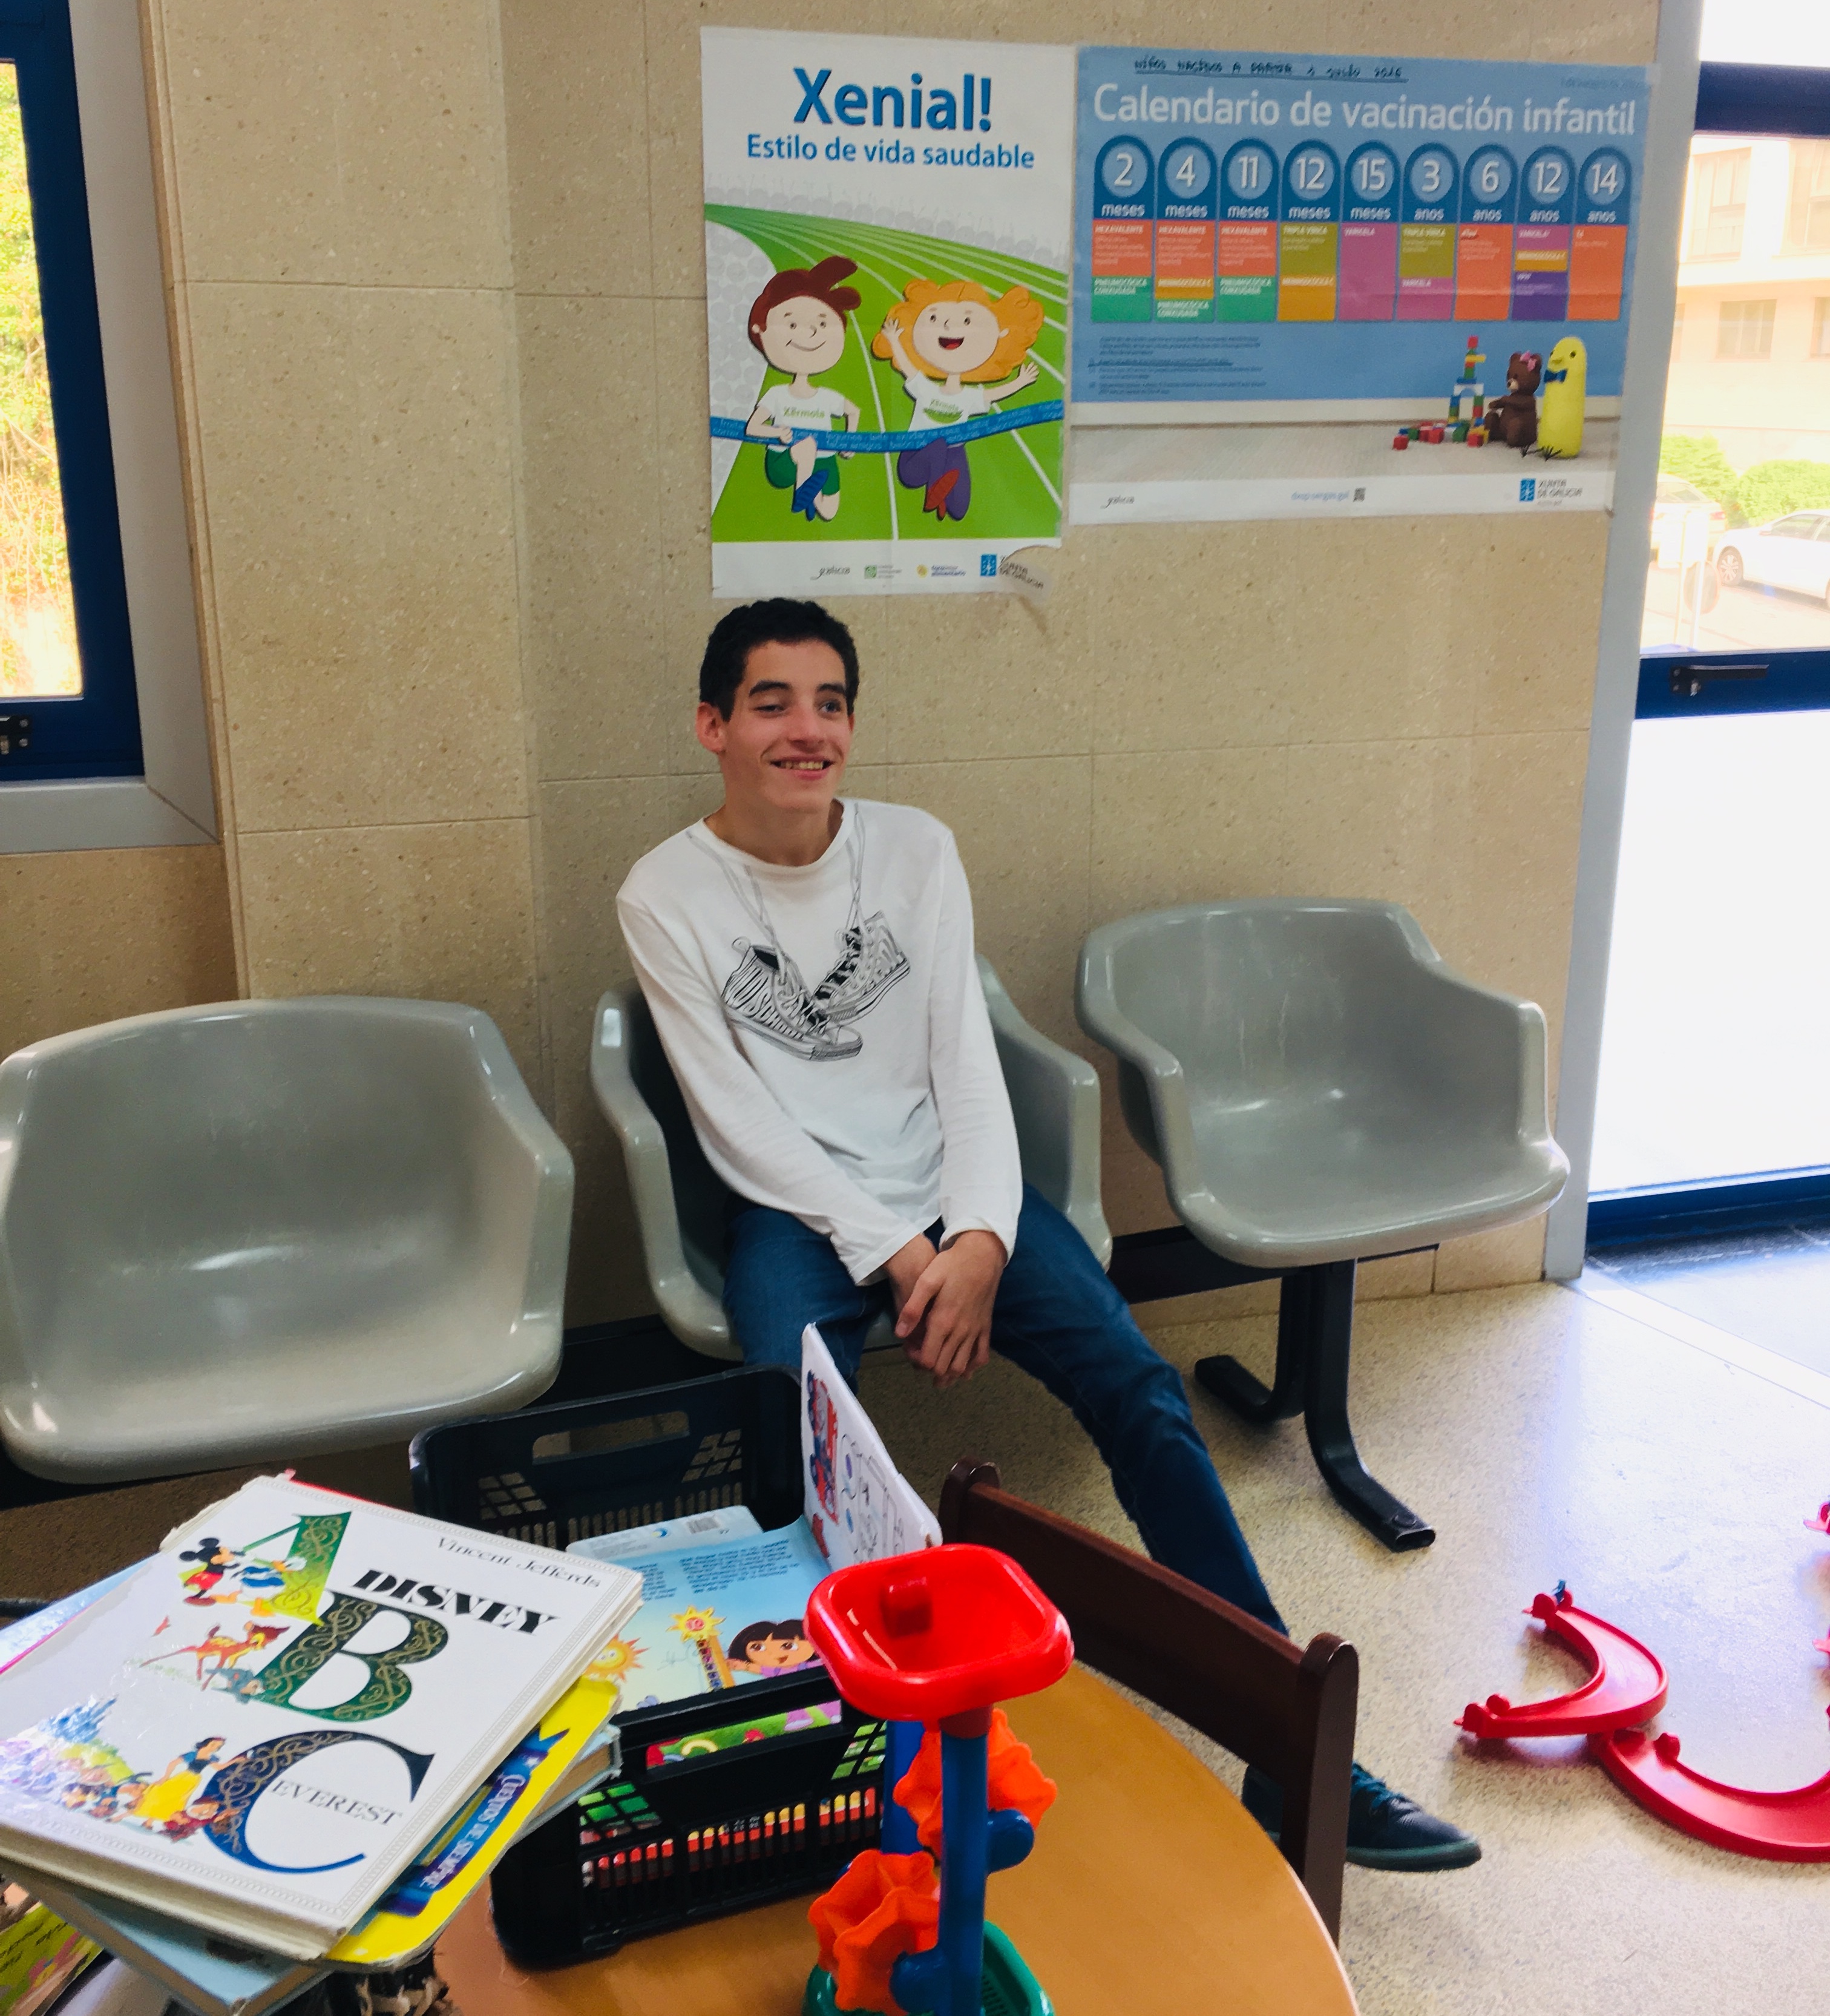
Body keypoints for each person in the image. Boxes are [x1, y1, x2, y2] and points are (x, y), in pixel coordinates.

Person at [617, 597, 1479, 1873]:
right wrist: (903, 1256)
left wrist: (975, 1238)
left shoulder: (916, 851)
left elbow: (968, 1069)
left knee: (1140, 1385)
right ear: (713, 726)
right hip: (798, 1209)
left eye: (831, 703)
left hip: (952, 1189)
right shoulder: (665, 892)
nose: (807, 730)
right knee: (797, 1441)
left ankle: (1291, 1751)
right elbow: (735, 1122)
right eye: (771, 703)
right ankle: (836, 1761)